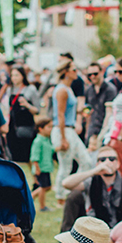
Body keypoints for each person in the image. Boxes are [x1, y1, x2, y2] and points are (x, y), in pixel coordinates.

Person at [62, 145, 122, 226]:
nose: (107, 162)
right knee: (73, 196)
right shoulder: (91, 183)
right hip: (95, 229)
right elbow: (66, 184)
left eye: (111, 159)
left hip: (119, 230)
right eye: (102, 159)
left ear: (118, 164)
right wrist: (93, 171)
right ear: (98, 164)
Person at [51, 61, 92, 193]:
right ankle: (61, 194)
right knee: (65, 166)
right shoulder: (62, 90)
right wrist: (63, 138)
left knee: (86, 161)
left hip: (70, 129)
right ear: (66, 72)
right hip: (63, 129)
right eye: (74, 70)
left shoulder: (68, 88)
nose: (77, 73)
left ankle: (73, 187)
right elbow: (60, 115)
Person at [81, 60, 119, 149]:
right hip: (92, 129)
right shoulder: (89, 90)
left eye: (95, 74)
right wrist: (87, 131)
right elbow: (88, 111)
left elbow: (110, 113)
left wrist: (103, 132)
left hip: (105, 129)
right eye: (89, 75)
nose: (92, 77)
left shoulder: (110, 89)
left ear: (102, 72)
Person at [29, 114, 55, 211]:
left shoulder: (46, 140)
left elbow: (51, 150)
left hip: (46, 167)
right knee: (43, 188)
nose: (51, 129)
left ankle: (31, 197)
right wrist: (37, 168)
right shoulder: (38, 141)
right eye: (48, 127)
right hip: (41, 168)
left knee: (47, 187)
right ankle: (42, 206)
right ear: (40, 128)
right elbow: (34, 156)